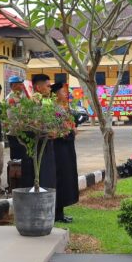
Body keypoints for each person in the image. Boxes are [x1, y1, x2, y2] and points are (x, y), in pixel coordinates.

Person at [19, 74, 57, 191]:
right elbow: (26, 124)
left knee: (48, 177)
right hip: (35, 146)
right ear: (38, 88)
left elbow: (52, 121)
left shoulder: (47, 102)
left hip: (47, 145)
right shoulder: (30, 103)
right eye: (48, 86)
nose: (50, 89)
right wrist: (44, 131)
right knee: (37, 177)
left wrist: (54, 130)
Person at [51, 82, 78, 222]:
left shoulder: (64, 107)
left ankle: (60, 212)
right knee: (60, 178)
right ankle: (57, 214)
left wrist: (72, 129)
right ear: (56, 95)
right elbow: (58, 131)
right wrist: (70, 131)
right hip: (59, 147)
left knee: (67, 177)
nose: (65, 94)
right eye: (63, 92)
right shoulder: (54, 109)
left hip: (67, 147)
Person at [5, 76, 28, 161]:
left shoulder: (22, 97)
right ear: (14, 86)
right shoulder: (10, 98)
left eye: (22, 84)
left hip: (23, 132)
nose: (22, 86)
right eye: (20, 84)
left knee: (25, 160)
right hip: (15, 134)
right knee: (17, 162)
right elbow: (12, 117)